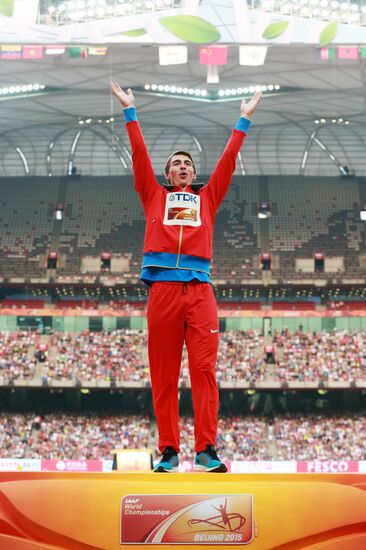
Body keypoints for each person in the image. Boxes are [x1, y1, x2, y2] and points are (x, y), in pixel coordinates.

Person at [111, 81, 261, 472]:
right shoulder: (153, 196)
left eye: (188, 164)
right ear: (166, 173)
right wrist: (130, 113)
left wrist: (243, 119)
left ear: (194, 174)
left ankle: (206, 450)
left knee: (204, 372)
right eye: (176, 163)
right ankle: (169, 452)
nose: (183, 166)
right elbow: (139, 155)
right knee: (163, 375)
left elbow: (228, 160)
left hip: (199, 292)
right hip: (161, 290)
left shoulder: (206, 199)